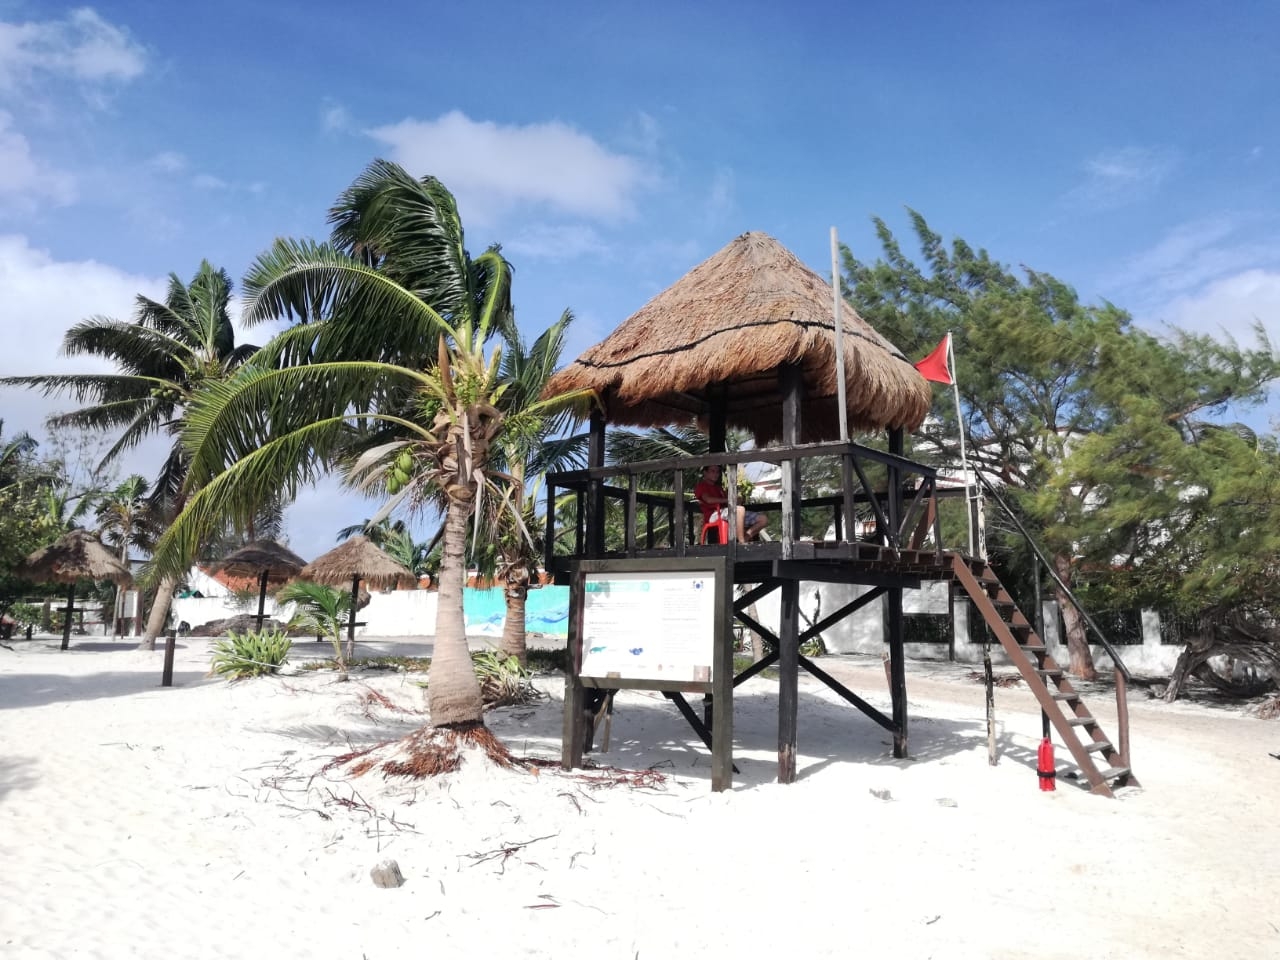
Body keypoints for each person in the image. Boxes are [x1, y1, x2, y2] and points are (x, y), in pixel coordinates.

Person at [694, 464, 768, 542]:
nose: (716, 474)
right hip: (713, 515)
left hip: (726, 512)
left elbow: (729, 501)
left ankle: (744, 539)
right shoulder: (701, 486)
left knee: (763, 519)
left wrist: (737, 500)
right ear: (705, 473)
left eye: (717, 472)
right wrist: (729, 500)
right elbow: (708, 499)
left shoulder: (719, 488)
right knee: (740, 510)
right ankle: (742, 542)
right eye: (712, 471)